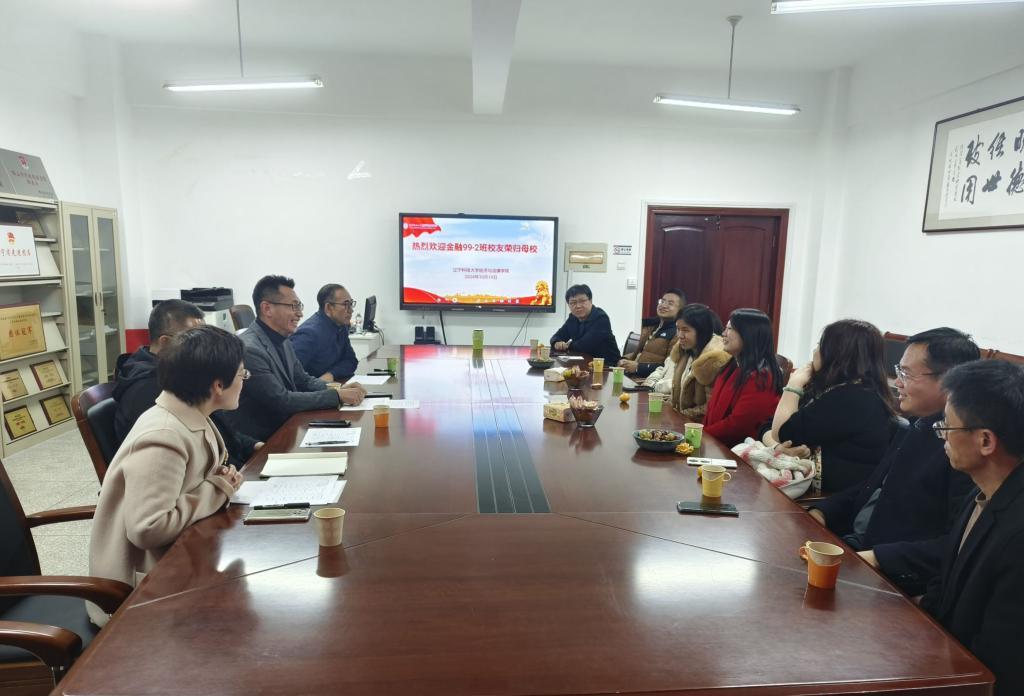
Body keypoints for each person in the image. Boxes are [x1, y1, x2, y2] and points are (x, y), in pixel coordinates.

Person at [87, 326, 247, 626]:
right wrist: (217, 489)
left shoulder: (191, 414)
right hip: (141, 594)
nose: (244, 381)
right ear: (217, 385)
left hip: (179, 560)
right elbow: (148, 528)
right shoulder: (164, 435)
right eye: (242, 374)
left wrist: (218, 480)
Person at [809, 328, 979, 595]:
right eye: (899, 371)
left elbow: (957, 543)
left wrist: (878, 558)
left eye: (906, 374)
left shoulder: (963, 448)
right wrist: (823, 512)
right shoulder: (916, 424)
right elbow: (874, 486)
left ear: (949, 381)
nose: (897, 382)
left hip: (891, 575)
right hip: (858, 547)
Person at [920, 360, 1024, 695]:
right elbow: (944, 582)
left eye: (947, 426)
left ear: (985, 441)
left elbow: (1000, 665)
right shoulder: (982, 489)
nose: (942, 435)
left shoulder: (1018, 537)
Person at [112, 299, 260, 466]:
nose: (205, 346)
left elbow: (218, 428)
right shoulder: (150, 391)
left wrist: (252, 446)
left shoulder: (185, 373)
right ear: (165, 343)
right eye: (193, 340)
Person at [226, 275, 366, 442]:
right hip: (264, 441)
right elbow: (281, 400)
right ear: (267, 308)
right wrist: (337, 396)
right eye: (293, 306)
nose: (300, 313)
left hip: (288, 428)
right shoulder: (250, 349)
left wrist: (339, 388)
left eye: (299, 306)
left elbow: (304, 380)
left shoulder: (282, 338)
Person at [766, 319, 897, 493]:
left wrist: (793, 385)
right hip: (806, 484)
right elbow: (768, 426)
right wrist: (778, 447)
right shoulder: (832, 386)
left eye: (820, 345)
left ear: (836, 353)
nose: (814, 351)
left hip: (826, 497)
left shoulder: (853, 398)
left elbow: (781, 431)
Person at [702, 308, 783, 446]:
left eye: (729, 329)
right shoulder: (732, 365)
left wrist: (702, 435)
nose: (723, 334)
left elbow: (738, 426)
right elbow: (711, 411)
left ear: (749, 334)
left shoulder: (762, 377)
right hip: (715, 442)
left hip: (737, 451)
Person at [644, 303, 730, 420]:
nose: (680, 335)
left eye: (685, 330)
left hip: (697, 426)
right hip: (680, 421)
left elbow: (709, 408)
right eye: (678, 329)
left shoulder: (714, 359)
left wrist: (677, 417)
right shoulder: (684, 350)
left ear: (702, 331)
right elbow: (676, 397)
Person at [291, 283, 360, 383]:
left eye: (351, 304)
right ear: (328, 307)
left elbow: (351, 361)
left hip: (334, 384)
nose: (351, 310)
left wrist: (331, 374)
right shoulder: (308, 334)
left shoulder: (342, 326)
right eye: (345, 305)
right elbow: (292, 375)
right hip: (313, 390)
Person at [618, 289, 685, 378]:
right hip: (633, 376)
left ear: (680, 310)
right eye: (662, 301)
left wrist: (638, 368)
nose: (663, 305)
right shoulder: (651, 327)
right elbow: (641, 354)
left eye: (670, 303)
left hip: (648, 381)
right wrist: (624, 360)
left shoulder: (677, 333)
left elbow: (670, 366)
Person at [550, 284, 621, 364]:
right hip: (583, 362)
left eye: (582, 301)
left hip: (607, 365)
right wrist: (556, 343)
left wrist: (567, 345)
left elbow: (584, 346)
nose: (578, 306)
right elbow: (557, 336)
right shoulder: (573, 318)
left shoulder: (601, 318)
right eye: (573, 303)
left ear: (590, 301)